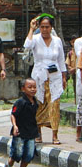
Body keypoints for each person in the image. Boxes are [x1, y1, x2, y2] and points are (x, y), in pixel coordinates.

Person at [23, 15, 66, 145]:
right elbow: (27, 45)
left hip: (55, 77)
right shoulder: (35, 39)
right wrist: (31, 29)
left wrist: (64, 77)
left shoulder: (57, 41)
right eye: (42, 27)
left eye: (47, 27)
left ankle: (55, 135)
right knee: (39, 103)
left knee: (54, 104)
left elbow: (61, 60)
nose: (44, 30)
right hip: (39, 76)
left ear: (51, 27)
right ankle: (38, 134)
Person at [4, 78, 38, 167]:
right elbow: (13, 115)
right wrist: (15, 126)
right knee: (17, 152)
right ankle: (10, 161)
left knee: (29, 154)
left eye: (34, 87)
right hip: (20, 131)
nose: (32, 89)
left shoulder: (36, 102)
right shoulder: (20, 102)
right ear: (23, 89)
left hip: (31, 131)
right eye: (30, 87)